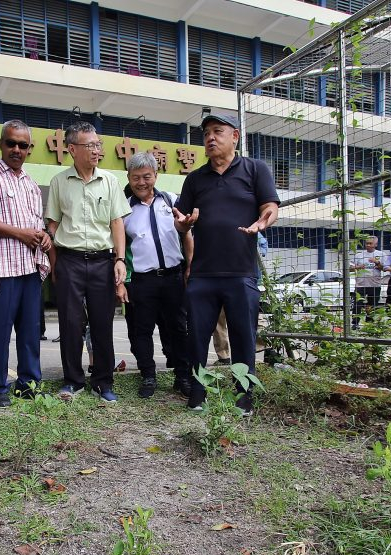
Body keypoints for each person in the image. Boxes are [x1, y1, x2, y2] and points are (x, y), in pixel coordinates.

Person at [174, 112, 279, 414]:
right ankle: (197, 392)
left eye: (217, 131)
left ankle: (244, 396)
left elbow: (270, 206)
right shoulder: (195, 178)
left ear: (234, 136)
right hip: (203, 274)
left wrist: (263, 221)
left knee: (243, 337)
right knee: (196, 336)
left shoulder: (255, 169)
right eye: (206, 133)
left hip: (241, 273)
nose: (210, 137)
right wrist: (183, 224)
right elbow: (182, 222)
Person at [0, 120, 51, 407]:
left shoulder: (30, 184)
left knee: (30, 332)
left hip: (29, 267)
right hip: (1, 267)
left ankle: (29, 383)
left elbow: (36, 223)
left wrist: (44, 238)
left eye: (22, 145)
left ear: (30, 148)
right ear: (1, 144)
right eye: (11, 143)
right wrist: (21, 233)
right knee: (0, 332)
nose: (16, 149)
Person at [45, 122, 130, 402]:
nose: (96, 150)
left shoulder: (110, 181)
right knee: (70, 323)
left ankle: (104, 382)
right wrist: (57, 259)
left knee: (103, 322)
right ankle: (73, 381)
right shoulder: (59, 182)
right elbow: (52, 224)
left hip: (102, 262)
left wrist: (119, 259)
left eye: (97, 144)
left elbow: (117, 222)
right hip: (69, 260)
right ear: (72, 149)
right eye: (90, 145)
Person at [120, 152, 193, 399]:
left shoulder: (171, 201)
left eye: (147, 177)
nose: (141, 183)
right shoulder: (124, 210)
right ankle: (148, 376)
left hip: (174, 277)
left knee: (178, 328)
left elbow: (186, 234)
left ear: (156, 176)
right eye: (136, 178)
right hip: (141, 281)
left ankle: (182, 376)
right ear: (129, 178)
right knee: (141, 331)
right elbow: (117, 246)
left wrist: (190, 266)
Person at [212, 233, 268, 365]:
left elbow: (262, 246)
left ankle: (262, 346)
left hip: (241, 276)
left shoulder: (245, 224)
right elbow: (263, 246)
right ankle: (224, 355)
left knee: (250, 316)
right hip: (237, 276)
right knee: (221, 318)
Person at [350, 235, 385, 325]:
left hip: (375, 284)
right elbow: (350, 268)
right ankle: (355, 323)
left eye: (370, 243)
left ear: (376, 244)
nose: (368, 245)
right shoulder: (359, 255)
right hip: (360, 285)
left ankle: (369, 323)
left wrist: (377, 262)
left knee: (372, 305)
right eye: (367, 243)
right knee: (357, 304)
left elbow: (384, 268)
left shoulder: (381, 255)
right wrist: (358, 267)